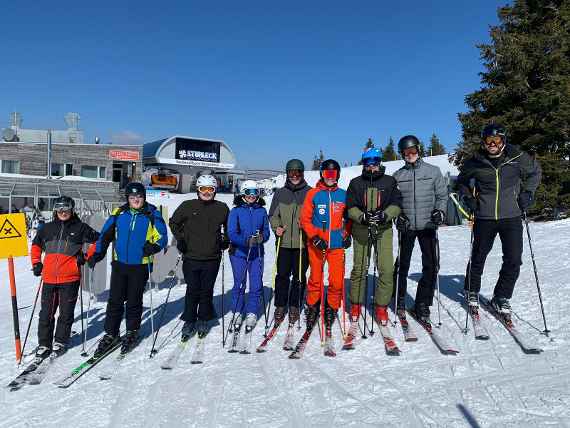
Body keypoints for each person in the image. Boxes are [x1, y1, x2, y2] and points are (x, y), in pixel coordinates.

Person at [458, 123, 541, 318]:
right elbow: (461, 182)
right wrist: (469, 198)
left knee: (513, 259)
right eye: (488, 140)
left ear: (503, 141)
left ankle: (501, 296)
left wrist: (528, 193)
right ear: (484, 142)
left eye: (496, 140)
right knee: (479, 256)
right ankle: (471, 290)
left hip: (511, 216)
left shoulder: (516, 158)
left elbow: (535, 172)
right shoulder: (475, 161)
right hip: (484, 216)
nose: (492, 144)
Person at [88, 182, 168, 356]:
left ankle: (132, 331)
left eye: (139, 197)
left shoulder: (152, 214)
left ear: (144, 197)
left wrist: (153, 247)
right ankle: (111, 333)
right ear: (128, 198)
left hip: (140, 265)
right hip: (119, 264)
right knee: (115, 300)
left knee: (133, 300)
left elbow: (162, 236)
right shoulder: (119, 213)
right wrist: (98, 253)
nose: (136, 200)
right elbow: (105, 235)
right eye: (132, 197)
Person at [30, 196, 99, 358]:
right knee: (46, 313)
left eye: (66, 209)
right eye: (59, 209)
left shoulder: (80, 227)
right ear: (55, 211)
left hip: (70, 278)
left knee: (66, 313)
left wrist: (86, 256)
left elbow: (99, 240)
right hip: (48, 278)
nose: (63, 212)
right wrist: (36, 263)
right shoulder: (47, 228)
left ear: (72, 210)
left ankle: (60, 341)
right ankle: (44, 344)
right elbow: (35, 246)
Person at [393, 135, 448, 322]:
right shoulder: (398, 176)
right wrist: (398, 217)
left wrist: (440, 212)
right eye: (406, 152)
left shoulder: (433, 171)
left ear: (419, 150)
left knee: (431, 265)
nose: (410, 155)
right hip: (407, 226)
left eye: (413, 151)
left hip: (427, 225)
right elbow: (394, 202)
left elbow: (442, 196)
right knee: (402, 264)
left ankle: (422, 303)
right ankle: (399, 298)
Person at [346, 148, 402, 333]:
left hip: (383, 229)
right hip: (361, 229)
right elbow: (350, 206)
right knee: (360, 268)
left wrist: (385, 215)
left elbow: (396, 203)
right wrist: (361, 217)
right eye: (368, 162)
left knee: (386, 268)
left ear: (379, 161)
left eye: (375, 161)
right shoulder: (356, 183)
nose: (372, 165)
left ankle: (381, 306)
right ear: (364, 163)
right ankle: (355, 304)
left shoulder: (389, 181)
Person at [299, 159, 351, 354]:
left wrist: (347, 235)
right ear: (322, 174)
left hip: (336, 246)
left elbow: (348, 219)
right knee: (315, 279)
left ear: (337, 175)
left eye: (333, 174)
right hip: (316, 244)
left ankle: (331, 308)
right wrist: (314, 236)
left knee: (336, 281)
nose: (330, 177)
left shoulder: (342, 195)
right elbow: (304, 219)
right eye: (327, 174)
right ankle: (312, 308)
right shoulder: (313, 194)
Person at [169, 174, 230, 339]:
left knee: (206, 290)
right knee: (192, 290)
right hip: (191, 256)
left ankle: (204, 318)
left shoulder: (222, 207)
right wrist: (181, 239)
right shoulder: (188, 205)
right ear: (198, 190)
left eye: (210, 189)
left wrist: (225, 240)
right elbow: (173, 222)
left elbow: (228, 227)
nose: (207, 192)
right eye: (203, 189)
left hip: (212, 257)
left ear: (215, 190)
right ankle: (189, 320)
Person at [268, 159, 311, 344]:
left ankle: (294, 305)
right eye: (291, 172)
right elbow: (272, 215)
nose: (295, 176)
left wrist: (307, 227)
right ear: (287, 173)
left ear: (302, 173)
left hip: (303, 244)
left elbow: (315, 215)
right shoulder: (280, 193)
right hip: (284, 242)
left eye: (298, 172)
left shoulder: (310, 193)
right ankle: (280, 305)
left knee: (300, 277)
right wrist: (276, 227)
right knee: (282, 275)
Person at [227, 180, 270, 333]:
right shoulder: (236, 211)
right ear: (243, 194)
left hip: (257, 254)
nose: (252, 196)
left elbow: (266, 231)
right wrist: (246, 241)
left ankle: (252, 311)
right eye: (248, 193)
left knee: (256, 284)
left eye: (255, 193)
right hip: (239, 253)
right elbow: (231, 233)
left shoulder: (261, 211)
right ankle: (237, 311)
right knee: (239, 283)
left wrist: (261, 238)